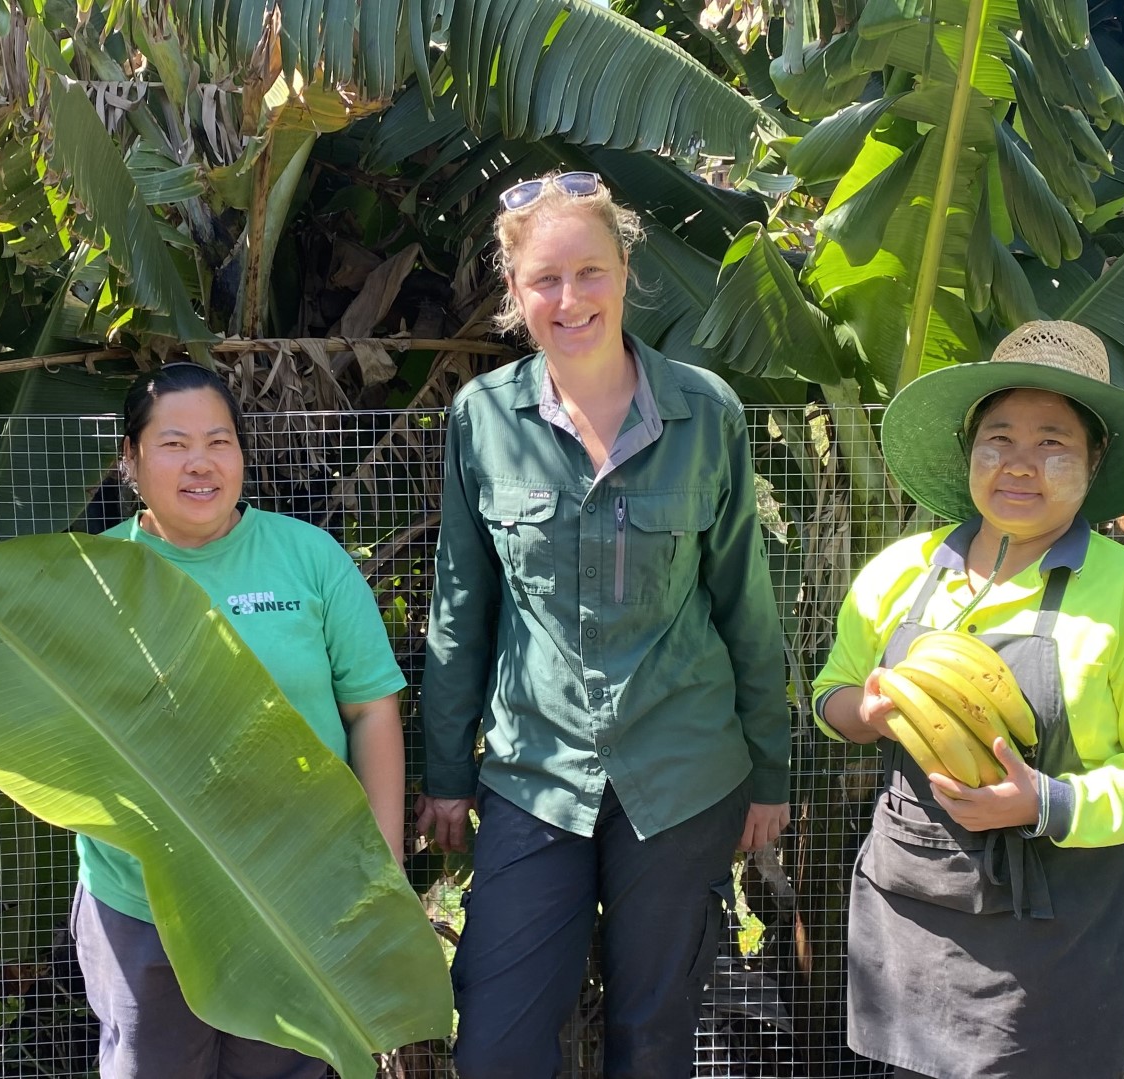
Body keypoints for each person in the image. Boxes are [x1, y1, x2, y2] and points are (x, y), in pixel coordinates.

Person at [417, 171, 791, 1079]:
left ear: (626, 270)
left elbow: (745, 601)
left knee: (653, 1035)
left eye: (590, 271)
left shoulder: (708, 413)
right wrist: (445, 776)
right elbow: (461, 609)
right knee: (500, 1037)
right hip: (533, 771)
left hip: (683, 770)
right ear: (515, 292)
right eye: (545, 279)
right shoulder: (482, 418)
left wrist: (772, 772)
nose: (570, 297)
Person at [812, 321, 1124, 1079]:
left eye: (1052, 443)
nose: (1019, 464)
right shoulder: (900, 573)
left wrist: (1046, 801)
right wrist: (866, 711)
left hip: (1061, 943)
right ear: (969, 449)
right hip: (913, 922)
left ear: (1094, 461)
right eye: (998, 438)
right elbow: (831, 691)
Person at [72, 362, 409, 1079]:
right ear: (129, 459)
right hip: (145, 906)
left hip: (296, 895)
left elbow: (372, 708)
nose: (201, 462)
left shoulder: (308, 558)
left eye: (219, 441)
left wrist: (379, 869)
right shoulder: (94, 577)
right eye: (173, 443)